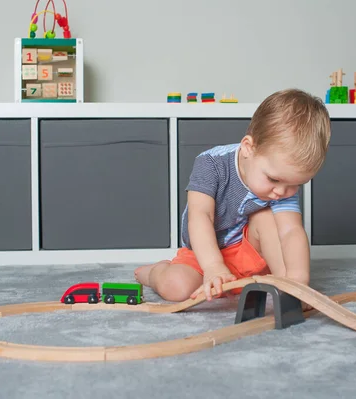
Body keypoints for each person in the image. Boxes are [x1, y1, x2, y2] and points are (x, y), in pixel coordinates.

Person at [135, 88, 331, 303]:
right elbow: (201, 216)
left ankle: (286, 282)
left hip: (245, 248)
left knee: (266, 218)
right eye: (274, 180)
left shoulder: (282, 183)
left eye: (296, 184)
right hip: (204, 250)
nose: (282, 192)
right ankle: (153, 272)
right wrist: (213, 267)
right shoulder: (211, 163)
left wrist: (299, 280)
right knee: (176, 287)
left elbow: (291, 231)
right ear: (248, 148)